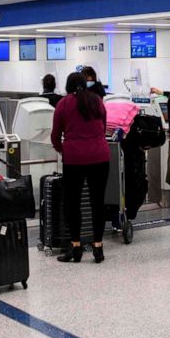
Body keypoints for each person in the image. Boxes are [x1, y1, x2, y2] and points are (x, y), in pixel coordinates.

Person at [50, 72, 110, 263]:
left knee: (73, 203)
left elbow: (55, 135)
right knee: (97, 202)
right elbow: (103, 126)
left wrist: (64, 150)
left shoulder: (63, 104)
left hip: (74, 159)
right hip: (100, 156)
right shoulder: (97, 100)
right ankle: (98, 248)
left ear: (68, 86)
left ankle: (75, 248)